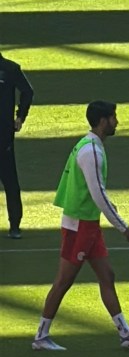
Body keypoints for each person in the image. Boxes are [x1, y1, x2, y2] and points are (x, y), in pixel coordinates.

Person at [33, 100, 129, 352]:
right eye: (113, 117)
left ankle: (124, 333)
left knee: (106, 275)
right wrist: (122, 226)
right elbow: (97, 192)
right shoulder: (91, 152)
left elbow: (96, 193)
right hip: (79, 227)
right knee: (63, 281)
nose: (116, 122)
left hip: (88, 225)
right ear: (102, 121)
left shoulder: (89, 145)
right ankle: (41, 336)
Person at [0, 51, 34, 239]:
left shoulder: (10, 69)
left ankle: (15, 226)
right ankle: (15, 227)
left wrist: (20, 116)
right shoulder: (10, 68)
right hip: (4, 137)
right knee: (11, 182)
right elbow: (27, 92)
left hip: (4, 136)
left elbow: (28, 92)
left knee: (11, 183)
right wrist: (20, 117)